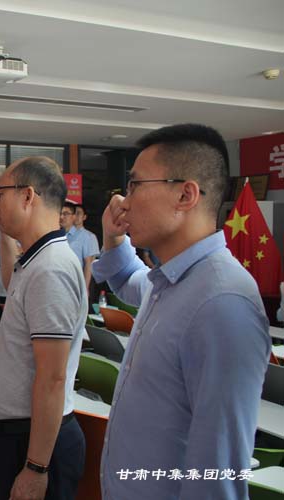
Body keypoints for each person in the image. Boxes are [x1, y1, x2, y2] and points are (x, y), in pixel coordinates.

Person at [92, 123, 271, 499]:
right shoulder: (169, 282)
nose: (124, 201)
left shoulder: (222, 303)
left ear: (185, 195)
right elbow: (126, 278)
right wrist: (114, 238)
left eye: (135, 185)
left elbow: (216, 473)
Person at [0, 156, 86, 500]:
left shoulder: (51, 268)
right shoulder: (36, 258)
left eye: (0, 194)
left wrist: (36, 467)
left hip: (34, 444)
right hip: (20, 436)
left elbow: (52, 377)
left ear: (27, 196)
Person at [61, 202, 100, 295]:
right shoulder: (60, 234)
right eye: (61, 214)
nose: (62, 217)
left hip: (77, 283)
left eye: (66, 214)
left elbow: (89, 264)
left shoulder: (87, 236)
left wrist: (85, 288)